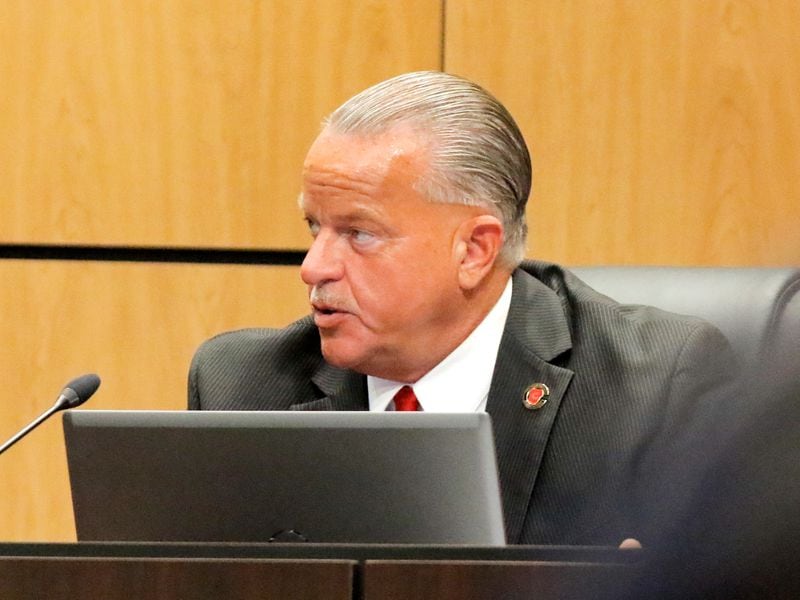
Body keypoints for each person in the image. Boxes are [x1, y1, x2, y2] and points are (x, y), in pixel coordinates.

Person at [188, 71, 734, 545]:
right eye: (315, 227)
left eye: (358, 233)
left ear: (474, 251)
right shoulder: (243, 387)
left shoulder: (653, 390)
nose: (314, 267)